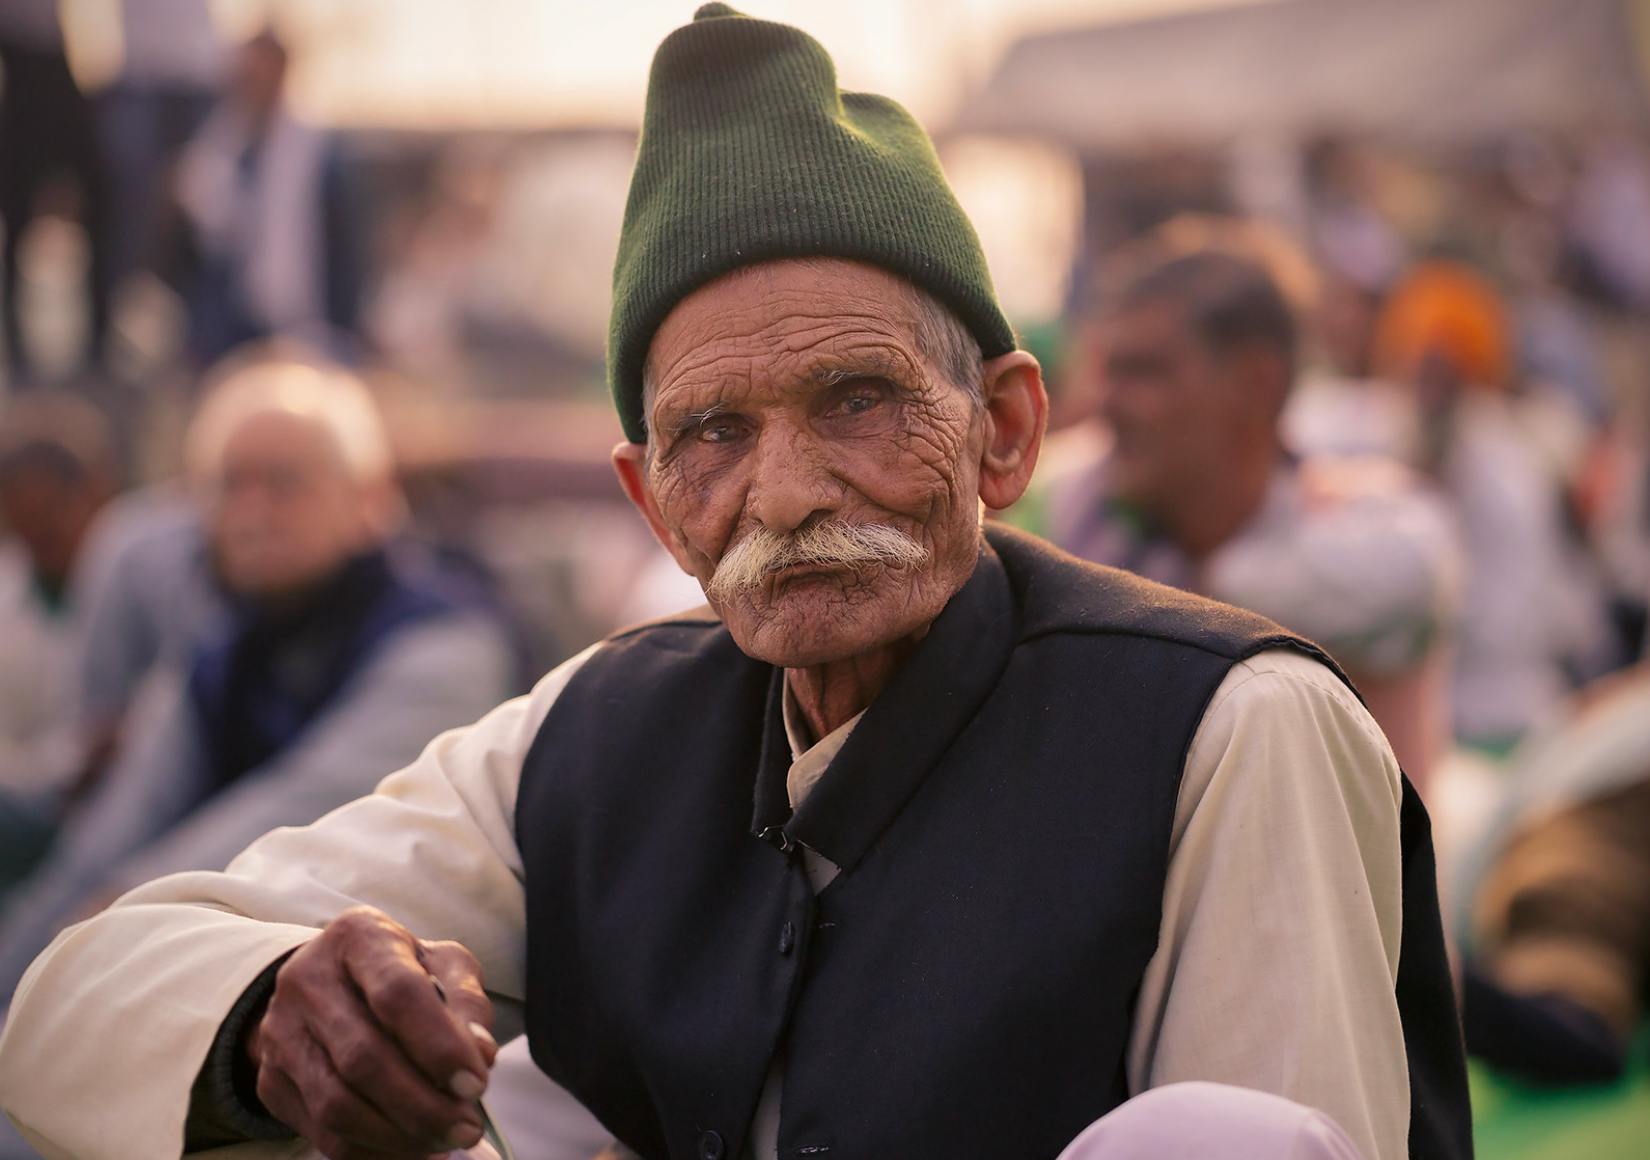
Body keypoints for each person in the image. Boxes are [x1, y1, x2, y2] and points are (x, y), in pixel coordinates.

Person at [0, 9, 1470, 1160]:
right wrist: (288, 1018)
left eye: (854, 401)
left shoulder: (1229, 729)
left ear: (1007, 432)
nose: (783, 492)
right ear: (651, 499)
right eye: (712, 434)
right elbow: (77, 999)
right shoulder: (595, 733)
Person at [0, 356, 518, 1001]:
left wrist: (111, 916)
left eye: (284, 483)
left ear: (369, 499)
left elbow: (302, 810)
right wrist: (29, 959)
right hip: (205, 944)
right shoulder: (222, 646)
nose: (251, 512)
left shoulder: (443, 641)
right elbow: (113, 831)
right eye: (227, 485)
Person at [1018, 243, 1460, 786]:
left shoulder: (1370, 528)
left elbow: (1412, 584)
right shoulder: (1079, 506)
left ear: (1257, 384)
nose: (1106, 403)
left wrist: (1202, 583)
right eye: (1109, 371)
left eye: (1145, 372)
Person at [166, 29, 363, 365]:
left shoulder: (318, 151)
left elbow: (347, 246)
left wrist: (342, 324)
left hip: (302, 320)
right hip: (228, 328)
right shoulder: (216, 148)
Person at [0, 392, 117, 887]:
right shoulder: (9, 599)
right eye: (23, 526)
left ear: (94, 493)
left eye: (50, 519)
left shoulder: (139, 586)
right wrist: (68, 765)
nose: (39, 541)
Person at [0, 0, 112, 384]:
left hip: (72, 72)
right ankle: (17, 348)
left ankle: (99, 341)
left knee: (100, 212)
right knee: (15, 223)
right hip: (19, 80)